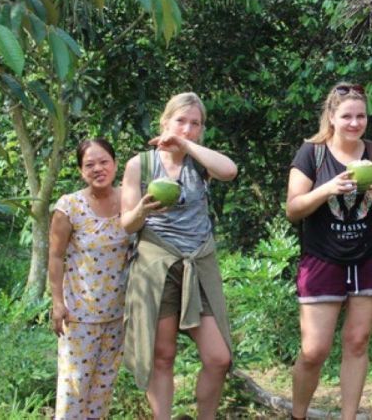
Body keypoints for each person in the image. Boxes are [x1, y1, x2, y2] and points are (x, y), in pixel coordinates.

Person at [285, 82, 372, 420]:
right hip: (323, 258)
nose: (354, 123)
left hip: (370, 256)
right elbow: (293, 209)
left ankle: (348, 416)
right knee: (313, 350)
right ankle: (298, 414)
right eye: (347, 116)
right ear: (332, 118)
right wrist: (327, 189)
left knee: (357, 341)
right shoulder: (312, 153)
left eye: (361, 116)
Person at [120, 92, 238, 420]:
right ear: (165, 122)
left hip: (198, 263)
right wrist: (143, 208)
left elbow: (229, 171)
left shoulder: (200, 161)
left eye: (195, 123)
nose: (187, 128)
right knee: (163, 354)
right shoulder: (141, 165)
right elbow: (126, 223)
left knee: (218, 357)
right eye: (180, 121)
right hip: (157, 265)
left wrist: (186, 146)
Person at [48, 138, 133, 420]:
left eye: (104, 162)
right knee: (74, 389)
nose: (98, 168)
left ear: (115, 164)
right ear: (81, 171)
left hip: (118, 314)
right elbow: (56, 256)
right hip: (80, 315)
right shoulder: (69, 206)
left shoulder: (130, 200)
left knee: (102, 388)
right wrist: (57, 303)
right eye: (90, 164)